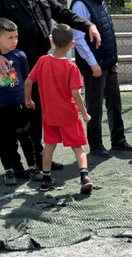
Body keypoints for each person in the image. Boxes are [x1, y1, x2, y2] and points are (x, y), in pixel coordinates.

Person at [0, 0, 101, 171]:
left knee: (38, 114)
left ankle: (39, 160)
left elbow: (63, 13)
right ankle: (14, 166)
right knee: (15, 118)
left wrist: (88, 25)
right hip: (15, 69)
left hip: (42, 65)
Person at [71, 0, 132, 158]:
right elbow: (78, 39)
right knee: (94, 106)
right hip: (95, 66)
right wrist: (93, 63)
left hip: (107, 62)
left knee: (114, 103)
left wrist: (112, 59)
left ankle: (118, 140)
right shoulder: (80, 3)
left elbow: (106, 30)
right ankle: (96, 145)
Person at [24, 24, 94, 194]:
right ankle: (84, 177)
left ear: (51, 41)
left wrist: (28, 99)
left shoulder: (42, 61)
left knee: (49, 146)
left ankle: (46, 179)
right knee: (78, 147)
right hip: (69, 114)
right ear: (72, 44)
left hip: (49, 115)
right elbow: (76, 94)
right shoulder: (71, 68)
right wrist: (84, 113)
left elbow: (28, 82)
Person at [0, 18, 40, 185]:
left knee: (25, 136)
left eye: (16, 37)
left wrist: (27, 99)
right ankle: (8, 170)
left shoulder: (20, 56)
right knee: (4, 139)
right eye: (10, 38)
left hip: (19, 104)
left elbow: (27, 79)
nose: (14, 41)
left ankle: (32, 167)